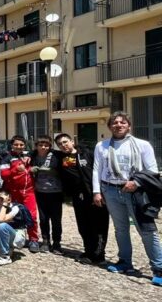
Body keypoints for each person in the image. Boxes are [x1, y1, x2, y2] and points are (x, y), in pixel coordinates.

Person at [92, 111, 162, 286]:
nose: (118, 125)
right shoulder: (102, 146)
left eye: (122, 122)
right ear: (109, 127)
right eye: (114, 122)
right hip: (110, 190)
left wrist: (136, 183)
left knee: (146, 230)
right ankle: (125, 262)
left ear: (129, 126)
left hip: (135, 192)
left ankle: (159, 268)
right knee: (120, 228)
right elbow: (97, 169)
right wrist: (96, 191)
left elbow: (152, 170)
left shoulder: (142, 145)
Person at [54, 132, 109, 264]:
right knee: (84, 225)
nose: (63, 145)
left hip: (95, 194)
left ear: (72, 141)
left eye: (65, 142)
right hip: (78, 197)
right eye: (60, 144)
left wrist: (100, 191)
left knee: (99, 225)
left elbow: (100, 169)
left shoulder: (86, 154)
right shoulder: (61, 158)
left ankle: (99, 254)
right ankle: (88, 251)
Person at [1, 135, 40, 253]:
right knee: (13, 216)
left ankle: (33, 239)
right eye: (16, 144)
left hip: (29, 191)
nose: (19, 147)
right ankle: (14, 237)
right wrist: (16, 169)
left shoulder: (29, 155)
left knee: (32, 216)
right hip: (13, 192)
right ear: (11, 145)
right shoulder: (6, 157)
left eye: (21, 144)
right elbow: (3, 174)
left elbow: (42, 151)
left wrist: (30, 164)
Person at [31, 136, 63, 253]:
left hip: (55, 192)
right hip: (40, 192)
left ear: (50, 146)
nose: (43, 147)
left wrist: (50, 170)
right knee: (43, 218)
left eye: (46, 145)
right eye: (40, 145)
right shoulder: (33, 155)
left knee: (56, 219)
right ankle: (45, 241)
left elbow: (62, 168)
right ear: (36, 146)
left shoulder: (56, 155)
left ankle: (57, 243)